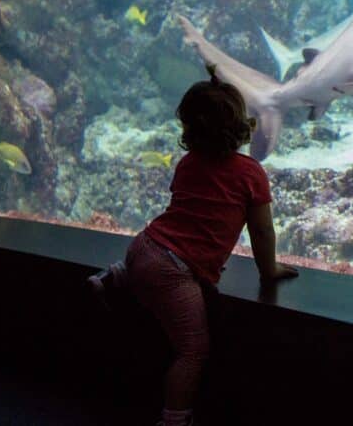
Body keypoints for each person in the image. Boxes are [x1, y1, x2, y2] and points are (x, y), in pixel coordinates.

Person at [90, 65, 298, 426]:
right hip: (172, 271)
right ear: (240, 124)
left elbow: (185, 212)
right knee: (192, 351)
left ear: (189, 129)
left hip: (144, 245)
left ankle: (115, 277)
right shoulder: (250, 174)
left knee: (144, 269)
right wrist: (269, 270)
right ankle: (174, 420)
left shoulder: (188, 163)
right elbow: (262, 233)